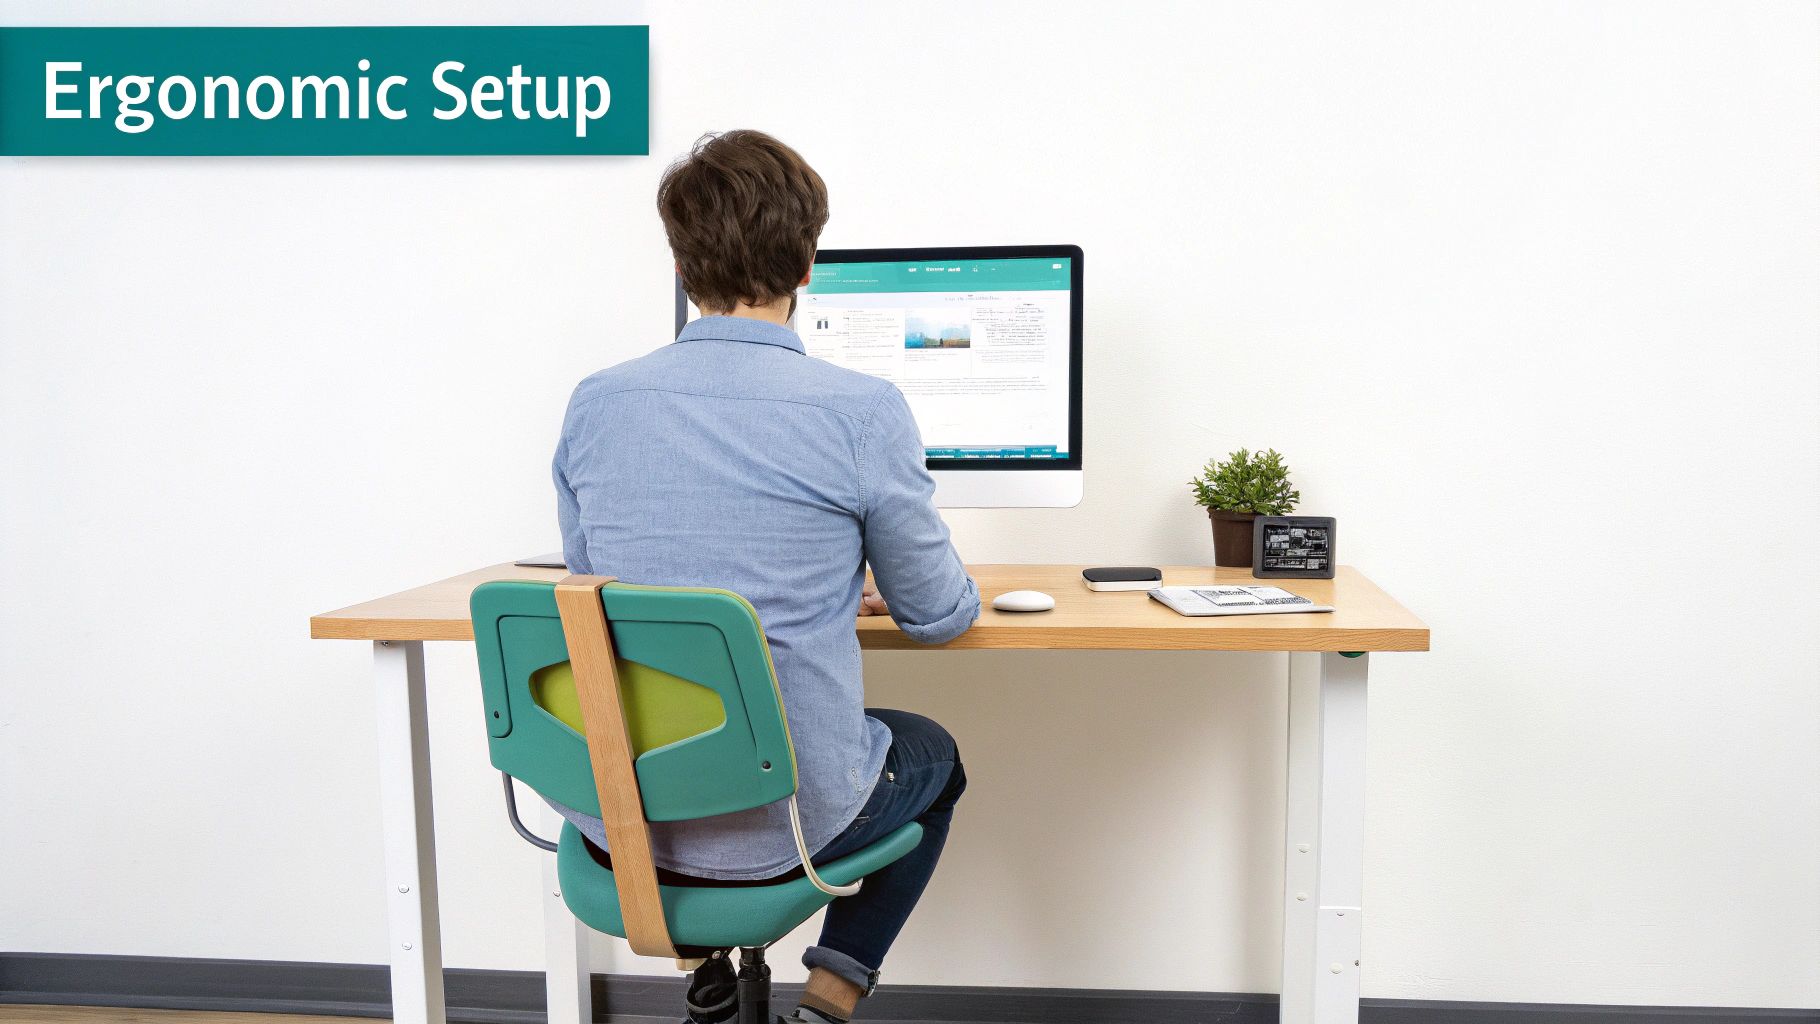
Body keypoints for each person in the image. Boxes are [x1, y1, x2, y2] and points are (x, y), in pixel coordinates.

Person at [551, 129, 979, 1024]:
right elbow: (938, 616)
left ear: (681, 260)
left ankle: (704, 971)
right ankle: (831, 993)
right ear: (808, 261)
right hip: (789, 824)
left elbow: (593, 594)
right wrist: (859, 575)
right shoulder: (862, 412)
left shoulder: (597, 401)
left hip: (624, 817)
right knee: (934, 754)